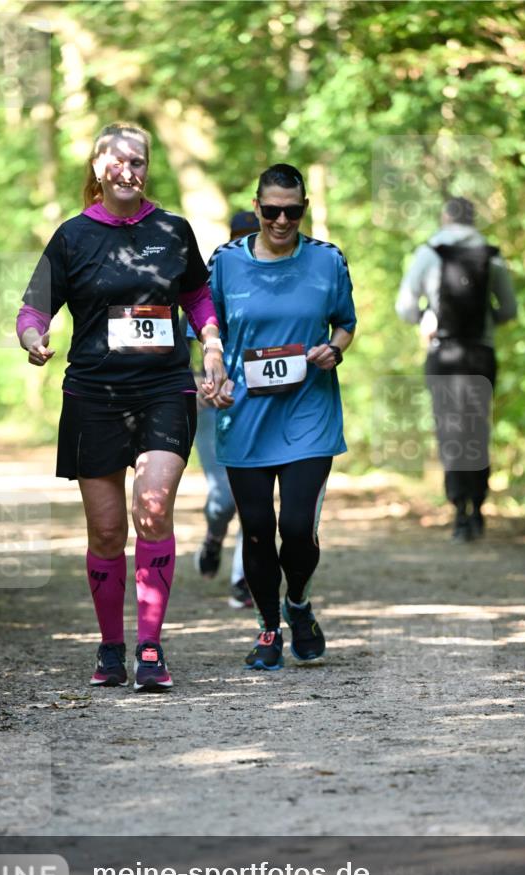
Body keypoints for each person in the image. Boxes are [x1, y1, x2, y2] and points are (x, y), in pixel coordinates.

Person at [15, 121, 226, 691]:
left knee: (152, 510)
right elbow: (34, 307)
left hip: (163, 389)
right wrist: (33, 338)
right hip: (94, 395)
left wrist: (210, 342)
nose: (128, 171)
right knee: (106, 532)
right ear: (97, 168)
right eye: (118, 162)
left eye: (139, 162)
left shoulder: (172, 230)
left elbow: (197, 295)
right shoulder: (72, 236)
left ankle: (151, 647)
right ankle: (111, 646)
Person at [208, 164, 357, 670]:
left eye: (291, 212)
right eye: (270, 210)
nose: (280, 220)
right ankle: (269, 628)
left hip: (309, 414)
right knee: (255, 529)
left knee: (295, 526)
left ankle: (299, 602)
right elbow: (208, 334)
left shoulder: (327, 260)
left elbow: (345, 324)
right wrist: (213, 380)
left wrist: (334, 350)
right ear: (256, 207)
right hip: (245, 417)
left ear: (304, 209)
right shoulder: (225, 263)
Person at [395, 197, 517, 541]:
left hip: (444, 353)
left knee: (450, 430)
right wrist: (488, 322)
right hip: (481, 353)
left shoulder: (430, 251)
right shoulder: (492, 256)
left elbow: (404, 306)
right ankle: (478, 508)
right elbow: (508, 308)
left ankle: (459, 511)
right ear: (474, 219)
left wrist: (425, 318)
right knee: (477, 428)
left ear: (445, 219)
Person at [193, 210, 259, 610]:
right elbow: (186, 335)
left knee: (255, 491)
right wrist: (192, 382)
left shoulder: (282, 281)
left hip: (264, 403)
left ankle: (244, 578)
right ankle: (215, 536)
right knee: (224, 497)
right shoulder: (209, 278)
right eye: (242, 238)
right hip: (212, 403)